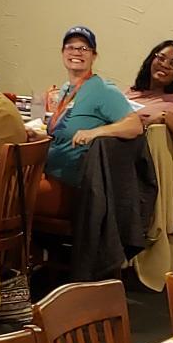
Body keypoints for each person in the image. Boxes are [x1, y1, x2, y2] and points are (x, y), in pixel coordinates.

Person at [37, 25, 143, 207]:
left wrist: (95, 132)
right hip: (48, 172)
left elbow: (135, 126)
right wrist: (38, 137)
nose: (76, 52)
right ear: (62, 53)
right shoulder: (65, 89)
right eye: (71, 47)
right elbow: (62, 135)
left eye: (84, 48)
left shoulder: (102, 89)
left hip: (72, 186)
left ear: (94, 56)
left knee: (7, 191)